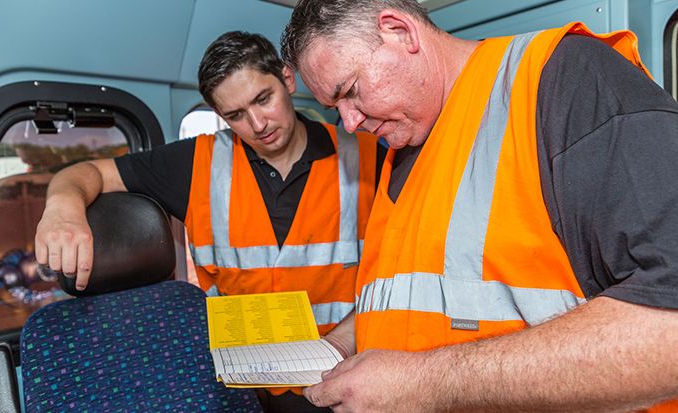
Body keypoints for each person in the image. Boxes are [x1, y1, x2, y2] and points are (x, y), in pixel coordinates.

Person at [280, 0, 678, 412]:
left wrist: (423, 383)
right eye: (334, 108)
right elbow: (415, 296)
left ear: (400, 32)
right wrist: (343, 342)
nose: (348, 122)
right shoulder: (403, 141)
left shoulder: (565, 80)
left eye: (351, 92)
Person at [35, 31, 384, 412]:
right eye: (235, 115)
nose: (257, 124)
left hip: (345, 374)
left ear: (287, 79)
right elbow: (87, 172)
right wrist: (62, 207)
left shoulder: (370, 157)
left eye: (263, 99)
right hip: (240, 389)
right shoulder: (195, 164)